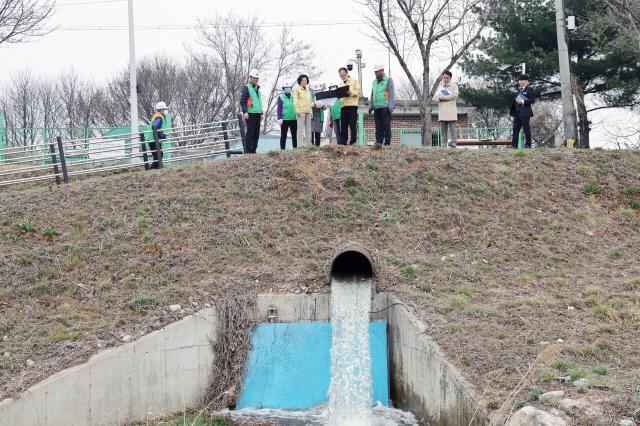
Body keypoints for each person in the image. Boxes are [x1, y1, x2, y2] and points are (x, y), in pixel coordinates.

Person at [368, 64, 395, 146]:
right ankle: (379, 142)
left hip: (385, 107)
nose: (375, 73)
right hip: (376, 107)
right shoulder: (374, 82)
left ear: (382, 71)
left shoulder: (388, 80)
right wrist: (371, 106)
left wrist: (391, 107)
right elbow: (372, 94)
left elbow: (392, 94)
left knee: (386, 125)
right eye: (375, 72)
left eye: (377, 72)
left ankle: (387, 142)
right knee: (378, 126)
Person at [510, 74, 536, 148]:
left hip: (525, 112)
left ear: (526, 81)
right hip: (517, 113)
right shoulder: (519, 90)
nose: (521, 82)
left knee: (526, 129)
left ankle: (528, 145)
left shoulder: (530, 89)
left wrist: (523, 102)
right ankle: (514, 145)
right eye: (520, 80)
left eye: (522, 80)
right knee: (515, 129)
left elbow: (532, 100)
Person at [239, 69, 262, 154]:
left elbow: (259, 101)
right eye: (254, 78)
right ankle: (248, 151)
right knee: (250, 132)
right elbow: (242, 101)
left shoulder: (258, 88)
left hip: (257, 113)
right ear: (250, 77)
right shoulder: (247, 88)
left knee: (256, 133)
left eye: (257, 78)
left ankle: (253, 150)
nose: (256, 79)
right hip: (250, 113)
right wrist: (245, 112)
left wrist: (261, 112)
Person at [435, 70, 459, 148]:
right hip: (442, 111)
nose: (445, 79)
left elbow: (455, 95)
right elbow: (436, 98)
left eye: (446, 78)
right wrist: (439, 99)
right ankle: (443, 146)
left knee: (453, 130)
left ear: (450, 78)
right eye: (444, 78)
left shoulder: (454, 86)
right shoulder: (441, 87)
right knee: (443, 131)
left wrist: (444, 97)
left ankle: (454, 145)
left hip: (451, 111)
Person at [338, 67, 361, 145]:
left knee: (352, 125)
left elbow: (358, 92)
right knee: (343, 126)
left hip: (352, 106)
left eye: (343, 75)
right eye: (341, 76)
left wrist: (351, 92)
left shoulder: (354, 81)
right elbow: (340, 97)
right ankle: (343, 142)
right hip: (343, 106)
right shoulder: (340, 84)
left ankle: (353, 142)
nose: (342, 77)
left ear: (347, 73)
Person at [293, 74, 313, 146]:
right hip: (300, 111)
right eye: (303, 80)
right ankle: (300, 145)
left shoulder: (308, 90)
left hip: (308, 111)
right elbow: (295, 100)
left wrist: (311, 112)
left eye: (305, 80)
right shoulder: (297, 89)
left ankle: (309, 144)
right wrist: (297, 110)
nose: (304, 81)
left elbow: (309, 101)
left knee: (308, 129)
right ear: (300, 81)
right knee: (300, 129)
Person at [148, 101, 169, 169]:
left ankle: (155, 168)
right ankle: (153, 168)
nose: (166, 111)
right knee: (158, 155)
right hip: (154, 139)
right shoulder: (159, 117)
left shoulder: (158, 116)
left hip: (153, 138)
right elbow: (155, 127)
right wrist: (162, 135)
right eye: (164, 109)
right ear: (161, 110)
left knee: (157, 154)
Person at [276, 86, 297, 150]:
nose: (288, 89)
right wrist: (279, 117)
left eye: (289, 88)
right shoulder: (281, 97)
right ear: (283, 89)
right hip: (284, 119)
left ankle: (295, 148)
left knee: (294, 135)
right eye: (286, 88)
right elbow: (279, 108)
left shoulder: (294, 96)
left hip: (294, 118)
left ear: (291, 88)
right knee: (283, 135)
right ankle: (282, 149)